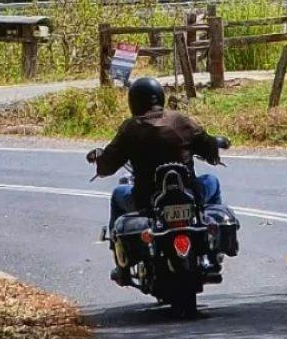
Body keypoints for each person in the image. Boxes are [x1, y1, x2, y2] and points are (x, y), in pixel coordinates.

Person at [89, 76, 226, 231]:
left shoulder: (130, 128)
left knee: (117, 194)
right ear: (161, 97)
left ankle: (118, 247)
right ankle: (214, 232)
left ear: (133, 103)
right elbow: (207, 146)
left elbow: (108, 165)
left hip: (146, 201)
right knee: (212, 181)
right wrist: (215, 149)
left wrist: (100, 162)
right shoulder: (181, 120)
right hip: (190, 195)